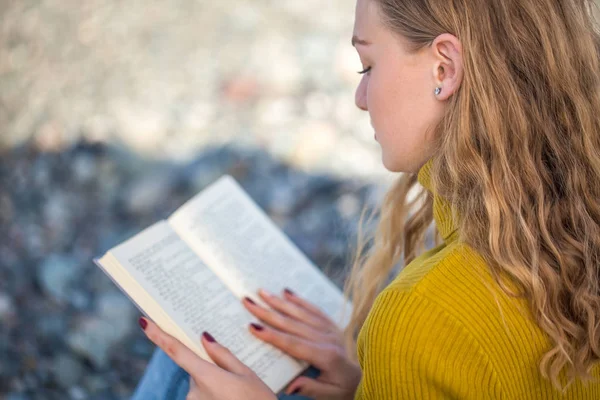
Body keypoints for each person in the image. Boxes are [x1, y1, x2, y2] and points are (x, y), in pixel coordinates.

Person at [131, 0, 600, 398]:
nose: (360, 96)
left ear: (445, 68)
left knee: (186, 362)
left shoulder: (419, 315)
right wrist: (364, 385)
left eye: (368, 65)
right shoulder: (572, 224)